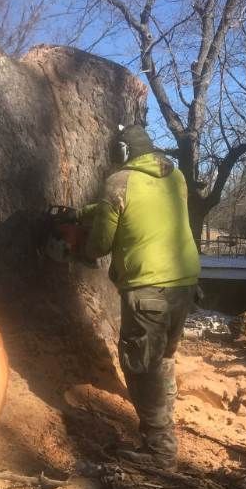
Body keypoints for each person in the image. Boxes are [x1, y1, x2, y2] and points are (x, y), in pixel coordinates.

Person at [79, 124, 200, 470]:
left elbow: (101, 242)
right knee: (163, 356)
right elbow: (135, 207)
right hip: (184, 282)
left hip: (149, 287)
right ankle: (165, 420)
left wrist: (84, 250)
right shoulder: (174, 177)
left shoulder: (119, 182)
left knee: (140, 365)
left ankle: (160, 450)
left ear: (121, 151)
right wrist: (81, 213)